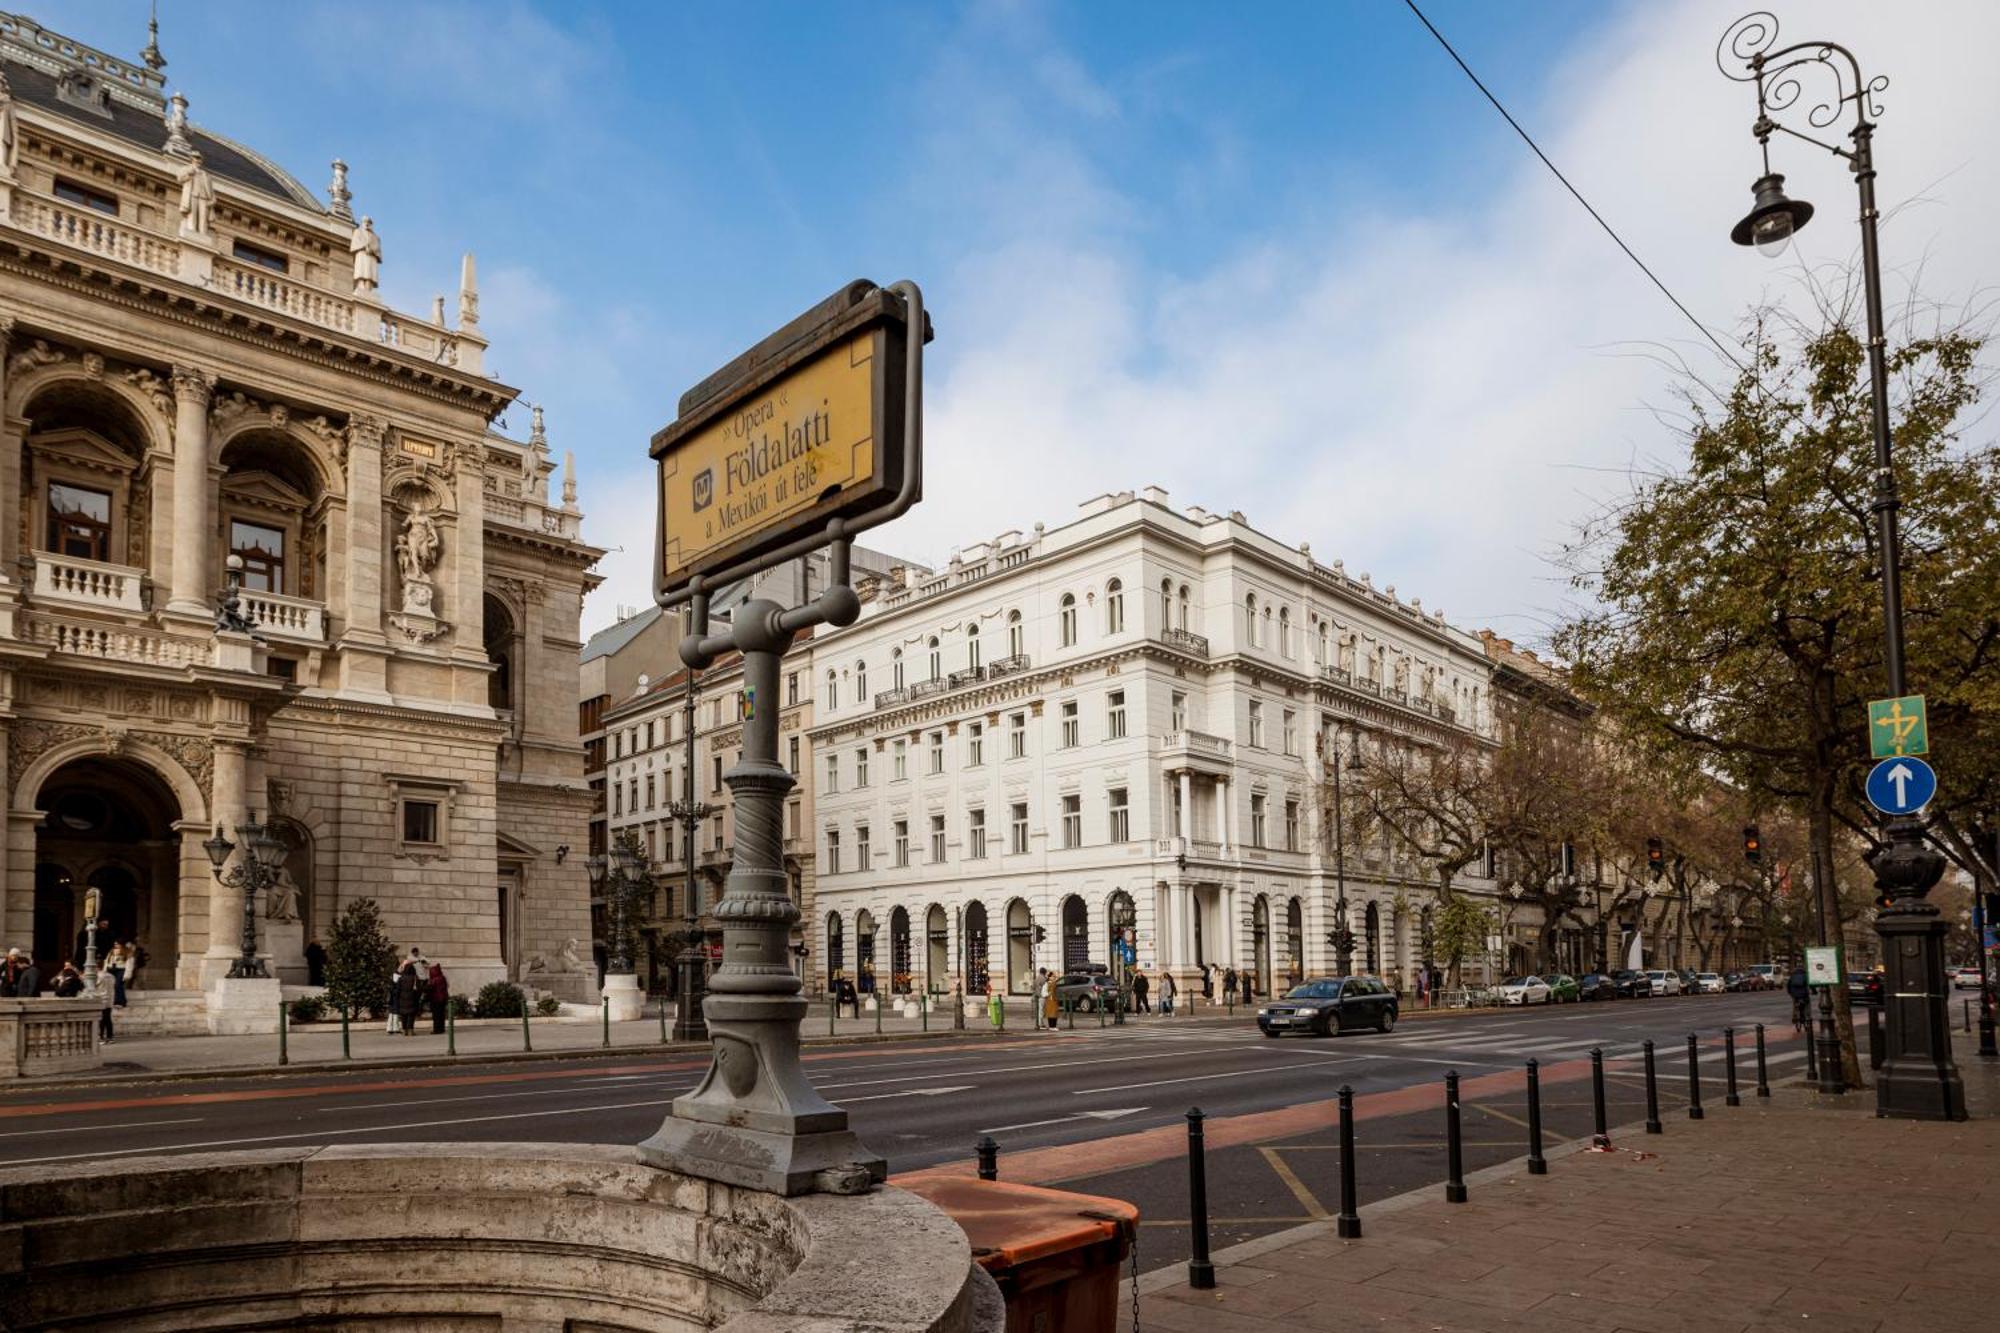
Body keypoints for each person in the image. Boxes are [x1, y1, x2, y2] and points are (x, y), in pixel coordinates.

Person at [393, 959, 424, 1035]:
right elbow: (419, 989)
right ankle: (410, 1030)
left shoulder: (401, 978)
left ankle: (404, 1030)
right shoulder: (415, 978)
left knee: (404, 1015)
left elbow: (397, 990)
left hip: (402, 999)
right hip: (412, 999)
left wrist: (398, 997)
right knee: (411, 1015)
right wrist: (417, 997)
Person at [103, 942, 131, 1008]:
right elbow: (106, 961)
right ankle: (121, 1001)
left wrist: (127, 974)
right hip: (111, 969)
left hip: (121, 969)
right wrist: (104, 971)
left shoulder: (126, 952)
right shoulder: (111, 952)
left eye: (118, 944)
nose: (116, 945)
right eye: (115, 944)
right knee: (112, 986)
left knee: (118, 985)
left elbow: (129, 963)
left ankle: (119, 1001)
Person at [427, 959, 450, 1035]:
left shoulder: (434, 980)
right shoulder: (442, 978)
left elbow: (430, 989)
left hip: (435, 999)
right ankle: (441, 1028)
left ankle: (436, 1029)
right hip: (442, 999)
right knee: (441, 1015)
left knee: (436, 1015)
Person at [1786, 965, 1810, 1030]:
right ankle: (1808, 1018)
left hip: (1794, 994)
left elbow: (1788, 985)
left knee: (1795, 1005)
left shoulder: (1792, 976)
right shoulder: (1805, 975)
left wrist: (1790, 993)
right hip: (1804, 994)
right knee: (1806, 1006)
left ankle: (1794, 1017)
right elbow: (1809, 984)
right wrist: (1814, 991)